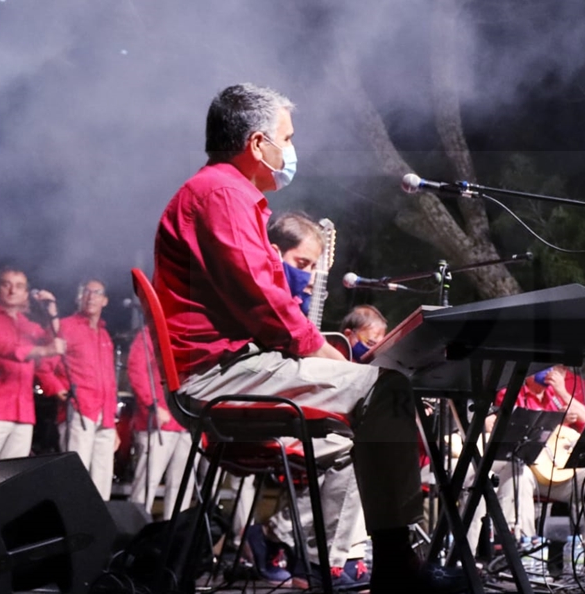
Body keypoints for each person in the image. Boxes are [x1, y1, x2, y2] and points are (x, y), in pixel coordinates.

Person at [152, 83, 463, 593]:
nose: (291, 149)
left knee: (348, 440)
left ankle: (323, 566)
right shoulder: (222, 193)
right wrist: (330, 355)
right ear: (257, 144)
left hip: (231, 368)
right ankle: (396, 567)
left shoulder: (224, 194)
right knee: (385, 390)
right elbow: (262, 302)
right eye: (286, 138)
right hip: (220, 376)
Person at [260, 213, 372, 589]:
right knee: (358, 441)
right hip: (260, 410)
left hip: (282, 407)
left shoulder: (286, 301)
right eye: (301, 264)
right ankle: (330, 563)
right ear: (275, 254)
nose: (308, 276)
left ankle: (318, 558)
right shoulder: (269, 298)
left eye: (313, 267)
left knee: (351, 443)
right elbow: (309, 347)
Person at [480, 366, 585, 564]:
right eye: (542, 365)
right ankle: (526, 551)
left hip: (557, 472)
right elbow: (510, 428)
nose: (548, 370)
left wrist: (563, 392)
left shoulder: (556, 396)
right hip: (530, 471)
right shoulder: (511, 392)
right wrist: (555, 423)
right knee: (518, 475)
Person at [0, 267, 65, 463]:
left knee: (11, 482)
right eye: (6, 284)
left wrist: (52, 311)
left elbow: (55, 346)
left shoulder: (29, 327)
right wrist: (44, 350)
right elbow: (1, 346)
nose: (12, 290)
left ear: (26, 294)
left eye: (19, 286)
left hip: (23, 414)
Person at [55, 278, 120, 500]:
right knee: (75, 474)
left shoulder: (105, 335)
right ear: (79, 297)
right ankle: (72, 525)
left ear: (105, 300)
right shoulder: (66, 326)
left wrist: (113, 423)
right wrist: (58, 389)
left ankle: (100, 530)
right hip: (79, 409)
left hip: (104, 415)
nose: (91, 296)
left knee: (103, 473)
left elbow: (110, 381)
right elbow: (47, 365)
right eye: (86, 292)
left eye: (97, 292)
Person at [127, 327, 193, 521]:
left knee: (182, 487)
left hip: (187, 422)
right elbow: (136, 370)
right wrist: (152, 404)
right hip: (159, 422)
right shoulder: (150, 332)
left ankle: (173, 538)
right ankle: (136, 534)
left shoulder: (192, 335)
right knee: (147, 484)